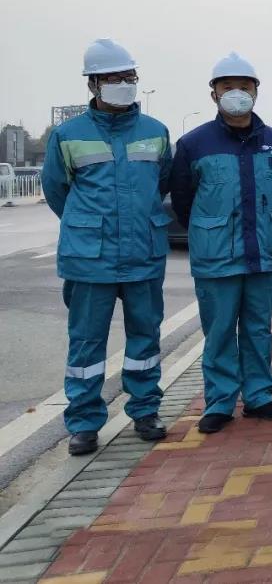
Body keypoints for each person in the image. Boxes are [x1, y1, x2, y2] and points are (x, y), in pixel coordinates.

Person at [42, 39, 173, 455]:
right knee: (85, 344)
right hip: (89, 259)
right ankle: (83, 423)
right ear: (93, 84)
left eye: (129, 76)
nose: (123, 83)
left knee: (145, 338)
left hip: (143, 253)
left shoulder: (156, 132)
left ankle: (145, 411)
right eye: (113, 77)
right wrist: (88, 225)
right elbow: (56, 190)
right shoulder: (67, 135)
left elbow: (161, 183)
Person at [169, 53, 272, 434]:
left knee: (258, 330)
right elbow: (183, 200)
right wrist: (210, 231)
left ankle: (259, 396)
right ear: (214, 94)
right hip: (216, 257)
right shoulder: (193, 144)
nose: (236, 93)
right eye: (227, 87)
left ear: (256, 92)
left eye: (244, 86)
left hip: (262, 255)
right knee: (219, 330)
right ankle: (220, 401)